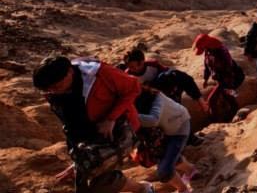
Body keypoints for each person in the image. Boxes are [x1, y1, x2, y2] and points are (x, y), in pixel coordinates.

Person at [33, 55, 152, 193]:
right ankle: (142, 188)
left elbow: (133, 88)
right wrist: (78, 160)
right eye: (49, 89)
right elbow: (69, 124)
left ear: (70, 72)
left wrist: (111, 118)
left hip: (116, 130)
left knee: (99, 183)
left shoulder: (99, 73)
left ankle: (143, 188)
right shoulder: (52, 91)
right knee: (84, 183)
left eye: (57, 86)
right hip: (87, 138)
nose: (54, 91)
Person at [124, 49, 208, 144]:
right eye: (129, 67)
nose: (131, 69)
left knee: (172, 77)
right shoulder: (127, 76)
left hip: (164, 94)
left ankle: (189, 137)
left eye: (133, 66)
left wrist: (199, 99)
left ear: (142, 62)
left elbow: (173, 77)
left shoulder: (153, 66)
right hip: (146, 101)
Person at [135, 87, 196, 192]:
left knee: (164, 170)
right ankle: (191, 171)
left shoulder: (157, 97)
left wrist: (130, 116)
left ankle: (183, 189)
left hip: (179, 127)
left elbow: (153, 120)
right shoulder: (140, 104)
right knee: (167, 156)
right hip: (164, 131)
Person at [192, 34, 244, 123]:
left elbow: (229, 68)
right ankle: (232, 115)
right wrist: (205, 79)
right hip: (220, 79)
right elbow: (207, 66)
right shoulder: (208, 50)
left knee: (212, 100)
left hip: (229, 78)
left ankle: (216, 121)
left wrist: (227, 85)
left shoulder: (222, 52)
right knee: (228, 98)